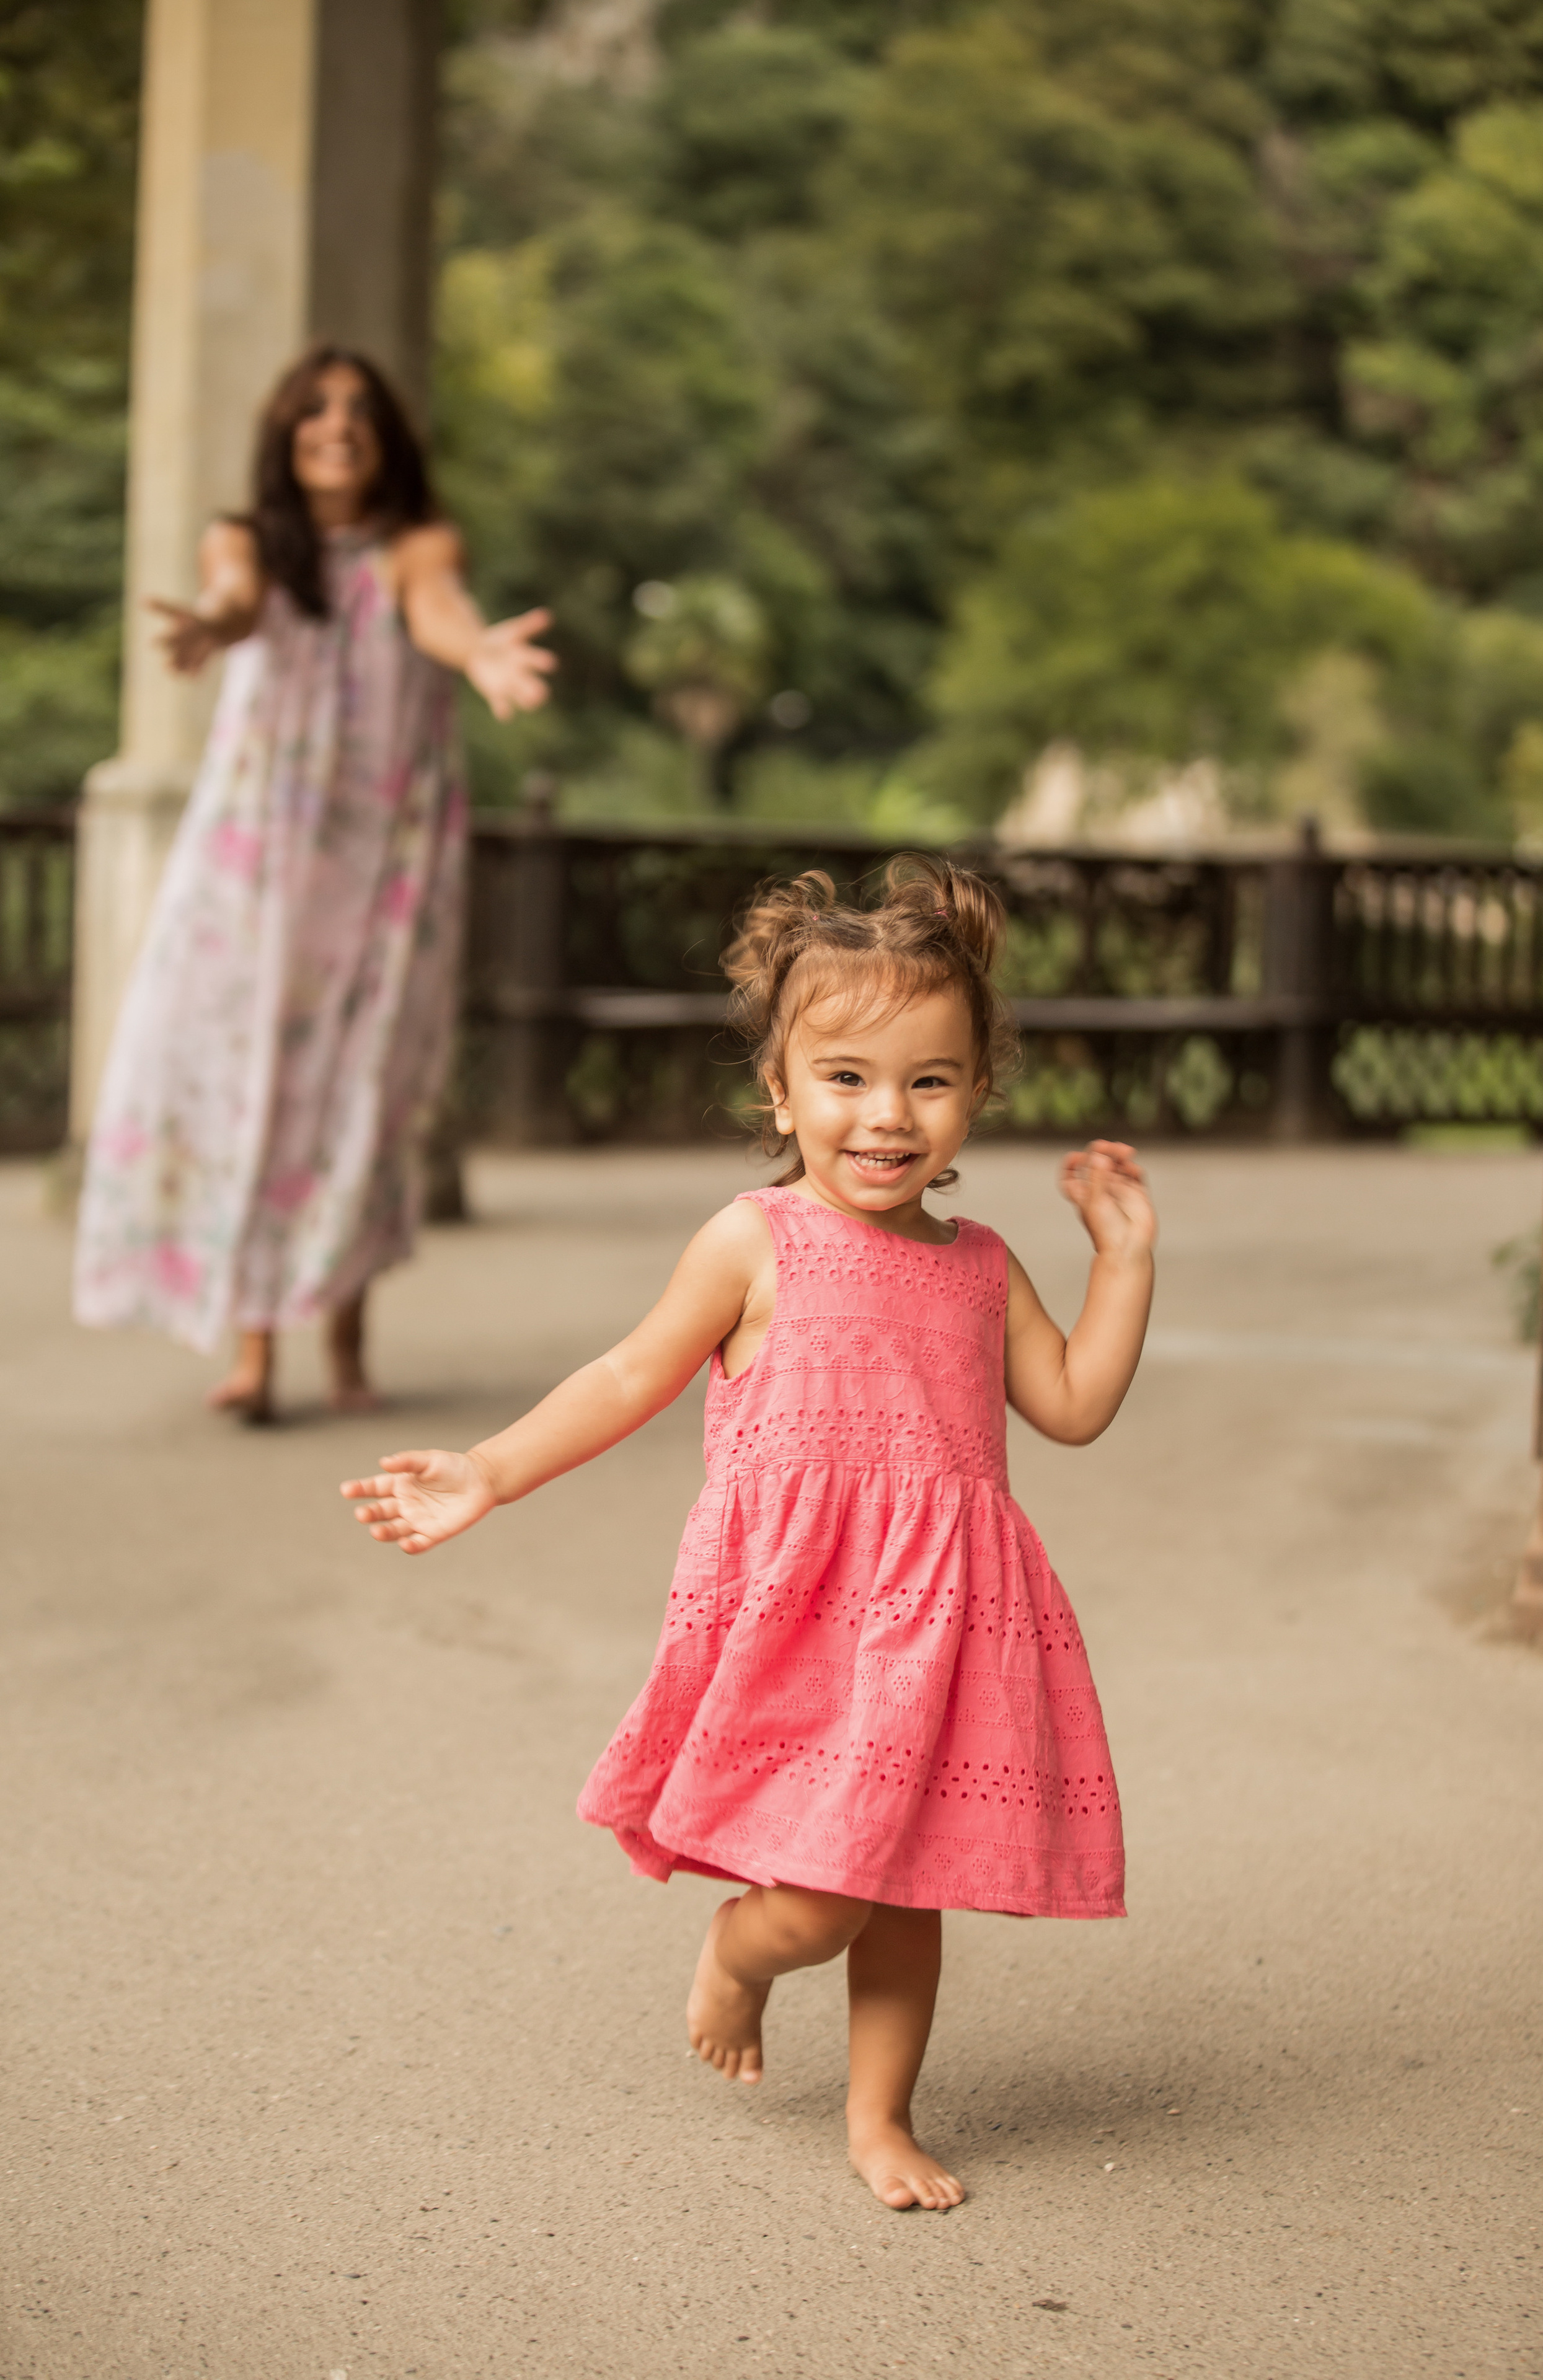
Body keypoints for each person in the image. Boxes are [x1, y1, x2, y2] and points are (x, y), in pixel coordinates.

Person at [340, 857, 1157, 2211]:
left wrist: (1121, 1263)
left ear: (974, 1096)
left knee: (910, 1887)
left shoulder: (979, 1267)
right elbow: (624, 1376)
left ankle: (879, 2117)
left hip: (942, 1623)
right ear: (780, 1092)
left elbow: (1069, 1405)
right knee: (818, 1900)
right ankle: (737, 1950)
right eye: (843, 1077)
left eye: (928, 1081)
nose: (885, 1115)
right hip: (801, 1611)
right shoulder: (753, 1239)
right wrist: (487, 1470)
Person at [73, 345, 555, 1419]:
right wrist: (212, 622)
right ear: (284, 434)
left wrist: (480, 658)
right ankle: (251, 1351)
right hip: (261, 868)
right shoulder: (245, 543)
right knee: (254, 1085)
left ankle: (345, 1341)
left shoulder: (416, 547)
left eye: (358, 411)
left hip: (384, 862)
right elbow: (238, 599)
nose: (337, 425)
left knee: (366, 1089)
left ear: (386, 438)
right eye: (315, 410)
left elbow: (437, 610)